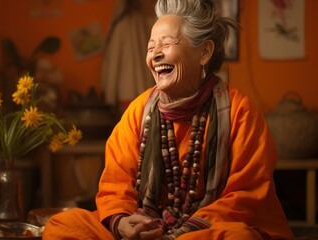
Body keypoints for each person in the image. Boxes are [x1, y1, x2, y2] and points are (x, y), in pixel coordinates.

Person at [43, 0, 294, 239]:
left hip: (209, 228)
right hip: (147, 225)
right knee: (61, 226)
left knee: (237, 236)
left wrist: (181, 234)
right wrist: (121, 223)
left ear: (204, 52)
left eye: (166, 44)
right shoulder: (138, 111)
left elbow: (245, 194)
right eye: (151, 47)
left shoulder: (240, 111)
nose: (156, 54)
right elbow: (116, 184)